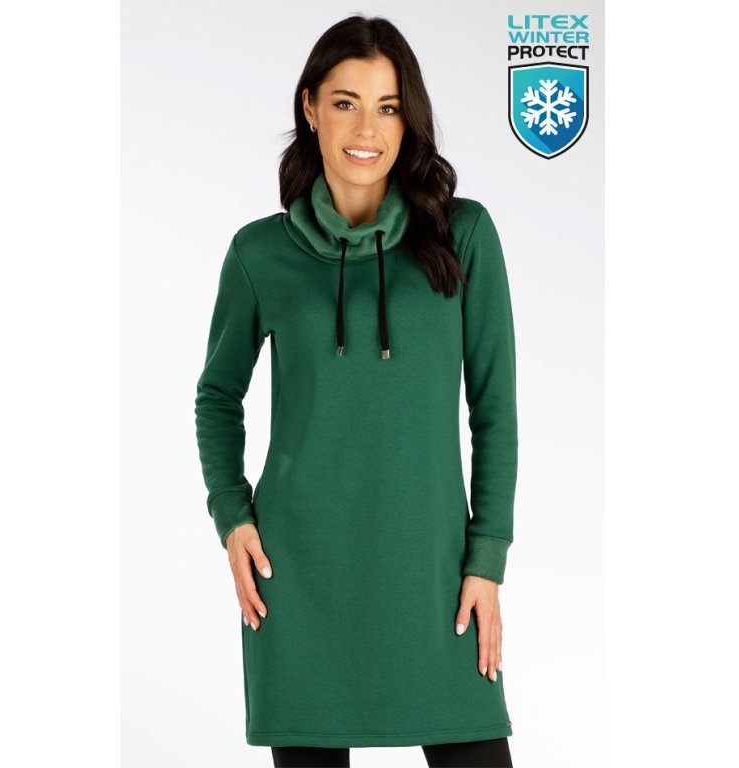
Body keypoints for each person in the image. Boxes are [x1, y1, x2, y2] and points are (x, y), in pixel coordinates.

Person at [195, 14, 518, 768]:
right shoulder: (259, 254)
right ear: (310, 108)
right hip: (297, 580)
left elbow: (495, 411)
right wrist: (233, 518)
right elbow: (217, 394)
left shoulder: (464, 236)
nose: (366, 128)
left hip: (435, 579)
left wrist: (487, 557)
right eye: (345, 103)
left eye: (388, 106)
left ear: (409, 118)